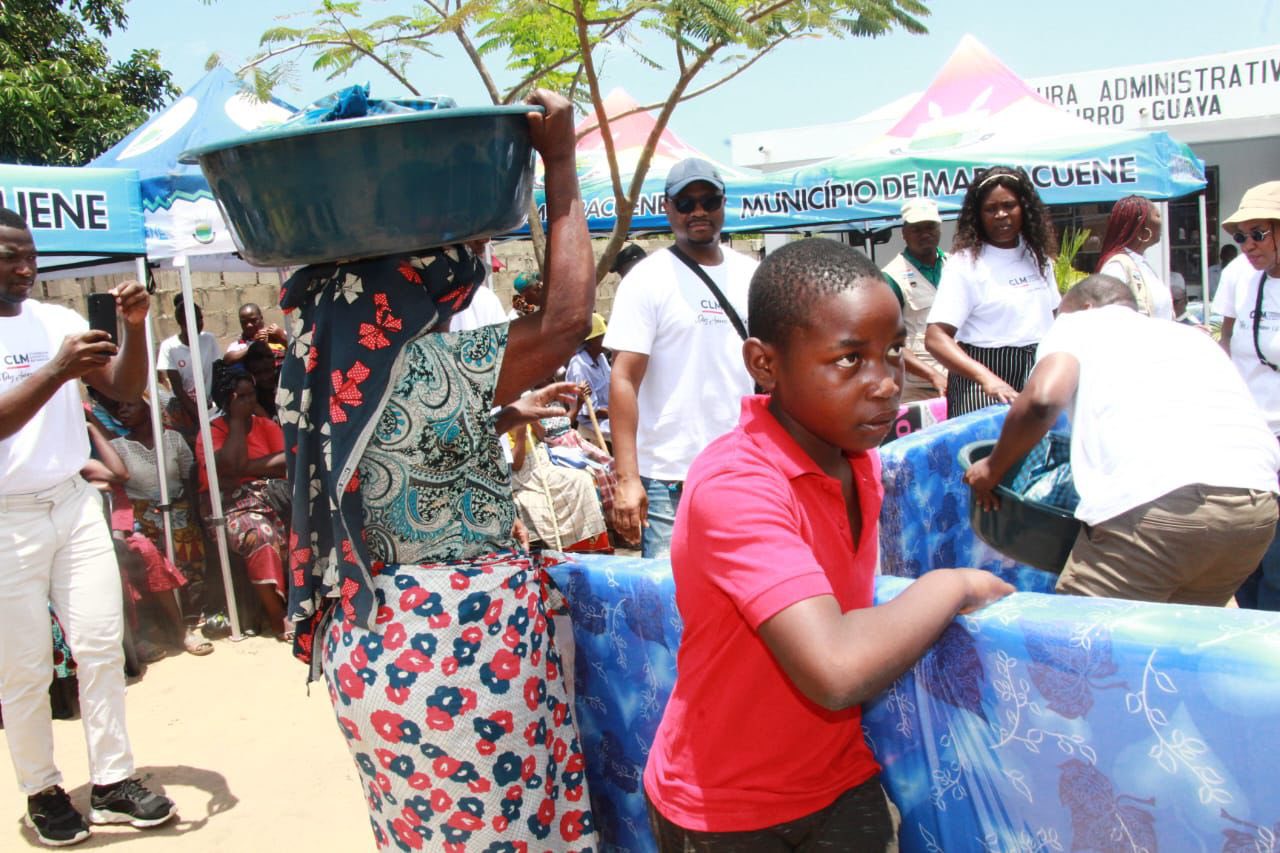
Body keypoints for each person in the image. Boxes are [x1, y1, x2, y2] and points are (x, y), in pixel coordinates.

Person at [278, 91, 598, 850]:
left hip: (369, 645)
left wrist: (505, 417)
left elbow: (408, 455)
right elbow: (566, 320)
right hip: (459, 651)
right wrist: (561, 162)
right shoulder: (427, 360)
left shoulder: (323, 363)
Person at [643, 238, 1012, 851]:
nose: (886, 383)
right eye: (849, 359)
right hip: (726, 808)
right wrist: (954, 584)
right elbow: (835, 668)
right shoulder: (738, 483)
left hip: (835, 778)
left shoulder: (858, 462)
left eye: (892, 352)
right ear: (765, 364)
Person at [0, 209, 176, 846]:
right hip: (6, 520)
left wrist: (133, 329)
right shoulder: (55, 347)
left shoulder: (59, 321)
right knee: (23, 667)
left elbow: (123, 391)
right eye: (9, 257)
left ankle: (112, 780)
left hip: (72, 504)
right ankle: (42, 790)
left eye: (30, 255)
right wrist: (55, 370)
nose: (25, 268)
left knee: (101, 647)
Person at [965, 274, 1279, 605]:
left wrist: (992, 469)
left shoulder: (1078, 324)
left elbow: (1042, 401)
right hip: (1254, 509)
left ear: (1086, 307)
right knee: (1178, 633)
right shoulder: (1191, 337)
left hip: (1160, 508)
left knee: (1083, 633)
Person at [604, 157, 758, 557]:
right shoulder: (647, 279)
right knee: (672, 592)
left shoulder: (752, 275)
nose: (699, 211)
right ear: (668, 208)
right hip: (668, 479)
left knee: (743, 587)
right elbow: (623, 378)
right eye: (686, 203)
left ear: (723, 203)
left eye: (709, 200)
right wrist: (627, 479)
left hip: (743, 470)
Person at [925, 166, 1059, 417]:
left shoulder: (1037, 257)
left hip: (1037, 372)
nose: (1001, 215)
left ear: (1024, 208)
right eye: (990, 209)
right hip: (982, 382)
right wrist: (986, 378)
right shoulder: (964, 265)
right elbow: (935, 338)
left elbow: (1055, 318)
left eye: (1009, 205)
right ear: (978, 215)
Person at [1213, 180, 1280, 611]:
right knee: (1245, 560)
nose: (1248, 245)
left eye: (1259, 233)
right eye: (1241, 236)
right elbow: (1227, 341)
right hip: (1251, 438)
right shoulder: (1241, 277)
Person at [107, 394, 212, 653]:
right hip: (140, 514)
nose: (123, 410)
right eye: (120, 406)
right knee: (149, 554)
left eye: (129, 404)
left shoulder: (173, 440)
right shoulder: (117, 447)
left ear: (148, 407)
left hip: (178, 506)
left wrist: (195, 511)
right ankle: (165, 624)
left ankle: (191, 613)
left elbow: (189, 477)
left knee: (189, 542)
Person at [195, 368, 290, 637]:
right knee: (258, 534)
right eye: (242, 397)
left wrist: (246, 467)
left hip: (271, 498)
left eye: (252, 395)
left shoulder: (266, 426)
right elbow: (227, 466)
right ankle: (276, 615)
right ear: (227, 400)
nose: (249, 402)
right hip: (228, 508)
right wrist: (236, 422)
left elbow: (285, 461)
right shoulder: (211, 432)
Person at [880, 197, 948, 402]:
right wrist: (932, 375)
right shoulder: (891, 277)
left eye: (930, 227)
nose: (925, 233)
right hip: (919, 390)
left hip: (963, 380)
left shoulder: (957, 265)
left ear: (939, 229)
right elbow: (887, 342)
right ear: (904, 233)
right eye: (917, 229)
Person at [1094, 195, 1172, 320]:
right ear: (1141, 223)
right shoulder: (1117, 267)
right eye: (1157, 216)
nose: (1162, 221)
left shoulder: (1140, 263)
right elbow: (1109, 317)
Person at [156, 296, 219, 441]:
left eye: (200, 318)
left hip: (208, 406)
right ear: (181, 323)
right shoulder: (169, 347)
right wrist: (200, 416)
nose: (199, 323)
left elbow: (217, 371)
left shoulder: (209, 340)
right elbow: (178, 389)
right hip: (182, 409)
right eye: (193, 320)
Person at [566, 312, 611, 447]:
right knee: (628, 430)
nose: (607, 339)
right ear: (591, 341)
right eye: (602, 336)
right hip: (592, 422)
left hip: (609, 413)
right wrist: (617, 413)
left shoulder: (600, 358)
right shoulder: (579, 366)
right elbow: (589, 411)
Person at [222, 302, 287, 367]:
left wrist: (281, 336)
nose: (249, 325)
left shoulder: (278, 334)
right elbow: (227, 360)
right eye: (244, 322)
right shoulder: (238, 345)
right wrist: (254, 345)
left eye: (253, 320)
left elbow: (293, 349)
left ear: (261, 318)